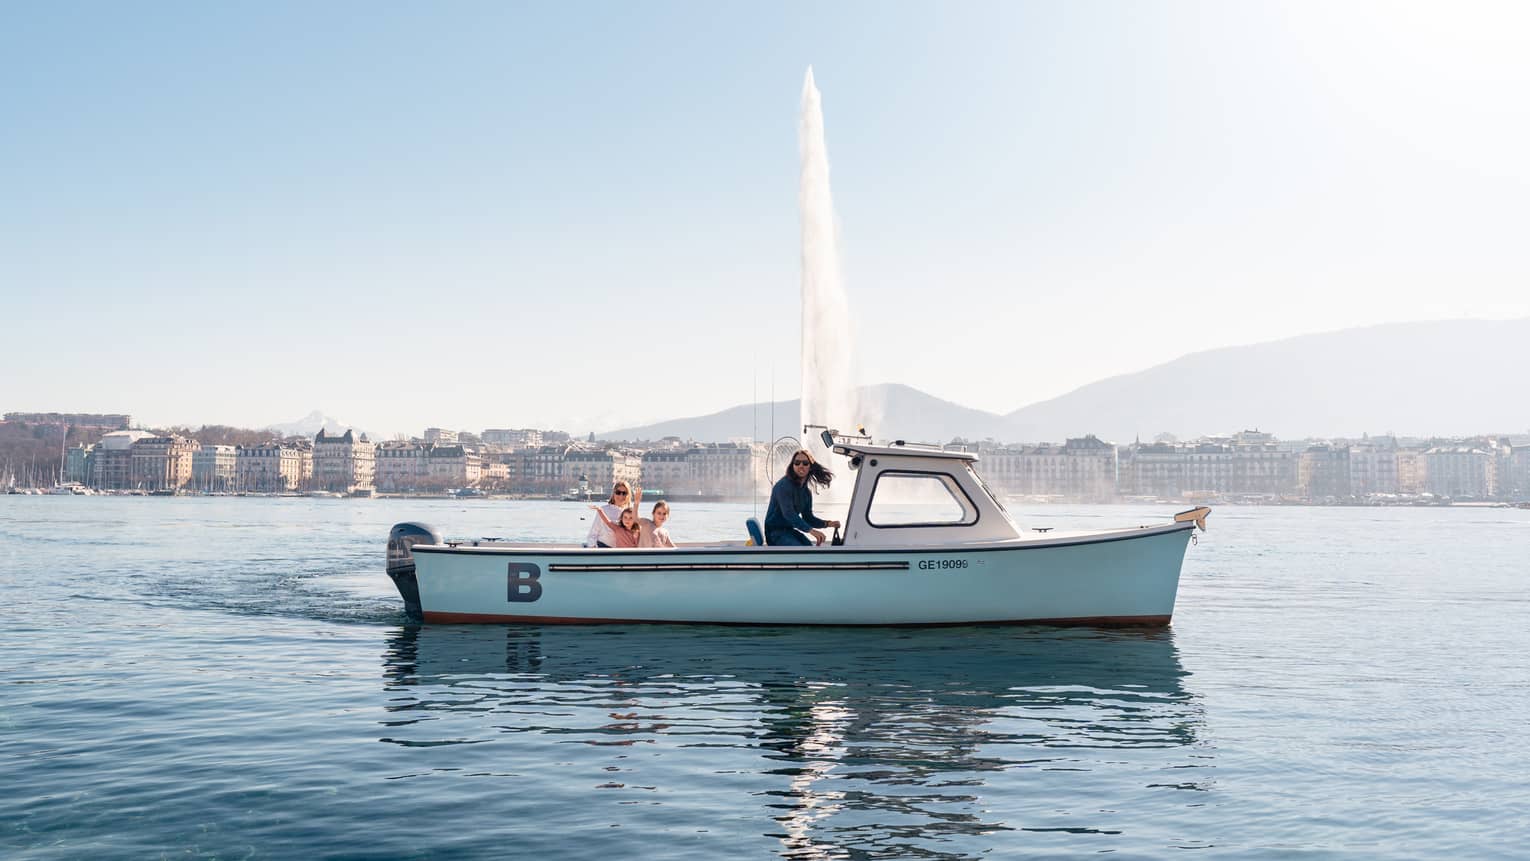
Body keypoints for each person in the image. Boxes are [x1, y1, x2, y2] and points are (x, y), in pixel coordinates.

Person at [764, 449, 841, 546]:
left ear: (811, 467)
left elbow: (808, 518)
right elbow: (789, 514)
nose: (801, 466)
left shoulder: (806, 493)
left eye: (805, 463)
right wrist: (812, 531)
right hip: (774, 534)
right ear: (792, 466)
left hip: (789, 531)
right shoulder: (783, 486)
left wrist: (828, 524)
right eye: (797, 463)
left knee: (809, 548)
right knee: (802, 552)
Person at [584, 481, 635, 548]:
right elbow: (593, 534)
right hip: (602, 548)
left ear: (628, 495)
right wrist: (594, 549)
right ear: (613, 494)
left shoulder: (631, 513)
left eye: (624, 493)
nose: (621, 496)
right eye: (618, 492)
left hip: (621, 552)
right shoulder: (604, 510)